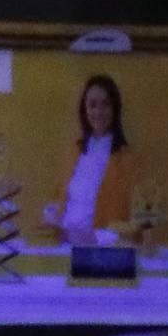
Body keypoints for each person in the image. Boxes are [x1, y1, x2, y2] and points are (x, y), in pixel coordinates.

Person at [43, 73, 138, 243]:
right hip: (65, 248)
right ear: (84, 109)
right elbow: (59, 200)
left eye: (106, 104)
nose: (99, 112)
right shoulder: (73, 152)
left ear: (115, 108)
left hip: (102, 253)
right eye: (92, 105)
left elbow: (130, 219)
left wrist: (94, 239)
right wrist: (51, 215)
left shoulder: (126, 160)